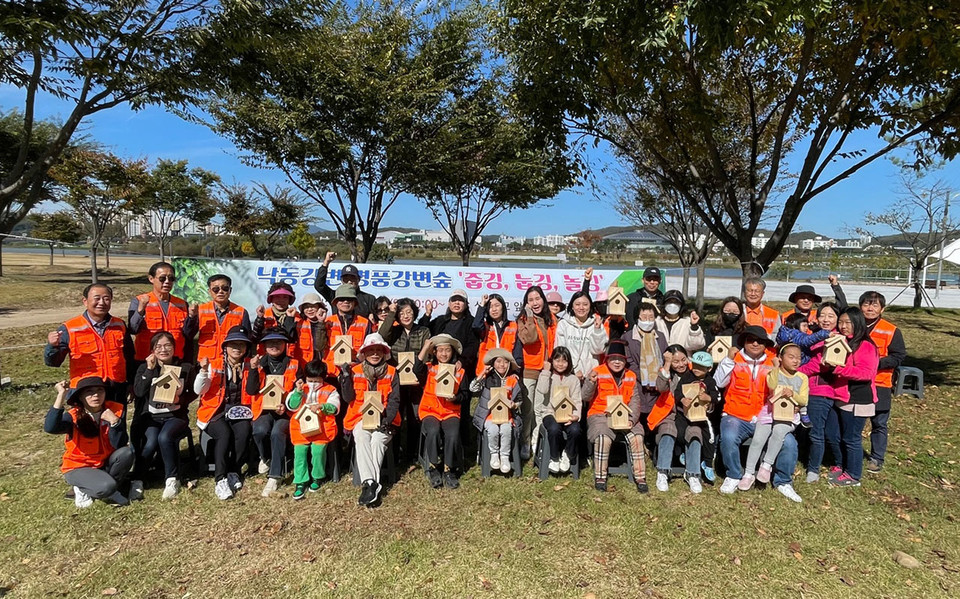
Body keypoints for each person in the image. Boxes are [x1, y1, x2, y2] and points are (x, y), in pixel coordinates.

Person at [713, 325, 802, 502]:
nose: (755, 343)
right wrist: (728, 360)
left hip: (768, 416)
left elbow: (789, 387)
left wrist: (778, 369)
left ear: (766, 344)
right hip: (736, 413)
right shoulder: (734, 358)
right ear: (743, 342)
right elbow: (719, 382)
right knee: (729, 437)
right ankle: (734, 475)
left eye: (760, 341)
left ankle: (783, 481)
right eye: (750, 340)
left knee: (790, 443)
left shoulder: (774, 361)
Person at [45, 378, 134, 508]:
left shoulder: (113, 410)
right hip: (79, 467)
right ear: (80, 396)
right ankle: (82, 488)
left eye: (100, 390)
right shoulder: (73, 415)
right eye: (89, 392)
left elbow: (119, 444)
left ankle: (108, 488)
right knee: (107, 487)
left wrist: (115, 422)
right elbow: (50, 427)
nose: (96, 395)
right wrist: (61, 395)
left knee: (127, 452)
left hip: (103, 463)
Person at [194, 325, 257, 500]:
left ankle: (233, 470)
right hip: (215, 411)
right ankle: (220, 479)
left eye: (241, 345)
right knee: (224, 434)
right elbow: (199, 390)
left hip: (239, 411)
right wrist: (203, 372)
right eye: (233, 344)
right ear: (225, 347)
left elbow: (252, 390)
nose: (237, 348)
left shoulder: (249, 364)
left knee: (244, 432)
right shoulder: (214, 364)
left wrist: (252, 370)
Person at [130, 331, 195, 501]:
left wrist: (180, 399)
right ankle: (137, 480)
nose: (163, 349)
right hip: (151, 417)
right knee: (150, 442)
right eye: (158, 346)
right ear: (152, 350)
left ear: (174, 348)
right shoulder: (145, 368)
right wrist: (150, 370)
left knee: (165, 437)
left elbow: (194, 392)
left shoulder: (185, 368)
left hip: (174, 415)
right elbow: (139, 391)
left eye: (167, 345)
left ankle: (172, 479)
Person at [45, 283, 134, 404]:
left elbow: (129, 357)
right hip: (85, 391)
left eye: (106, 298)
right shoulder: (70, 328)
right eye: (96, 298)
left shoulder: (119, 325)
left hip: (116, 389)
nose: (101, 302)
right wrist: (52, 346)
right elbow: (53, 362)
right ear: (85, 301)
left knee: (116, 423)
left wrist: (131, 383)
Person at [339, 334, 400, 506]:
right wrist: (344, 377)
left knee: (377, 441)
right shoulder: (355, 371)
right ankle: (371, 483)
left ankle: (370, 484)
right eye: (370, 350)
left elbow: (395, 400)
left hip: (386, 420)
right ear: (364, 353)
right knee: (361, 435)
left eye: (378, 350)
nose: (374, 354)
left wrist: (386, 421)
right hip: (359, 417)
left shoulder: (392, 372)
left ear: (384, 352)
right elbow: (348, 397)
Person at [582, 340, 649, 494]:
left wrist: (632, 419)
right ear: (607, 359)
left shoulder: (630, 376)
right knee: (603, 437)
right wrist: (590, 382)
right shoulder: (597, 372)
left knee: (637, 437)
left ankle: (640, 477)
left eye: (620, 359)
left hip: (624, 414)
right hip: (600, 414)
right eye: (613, 359)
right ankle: (600, 477)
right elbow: (584, 397)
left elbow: (635, 400)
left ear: (625, 361)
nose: (617, 362)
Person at [740, 343, 808, 492]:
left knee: (778, 432)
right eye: (791, 357)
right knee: (758, 439)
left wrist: (793, 395)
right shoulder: (774, 373)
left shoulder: (802, 378)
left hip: (788, 415)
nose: (796, 361)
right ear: (780, 358)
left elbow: (804, 400)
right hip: (769, 412)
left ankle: (766, 465)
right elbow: (771, 385)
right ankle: (748, 473)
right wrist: (776, 368)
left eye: (798, 358)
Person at [823, 308, 879, 487]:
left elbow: (866, 373)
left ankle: (853, 475)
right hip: (840, 396)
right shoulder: (842, 341)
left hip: (857, 399)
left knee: (851, 438)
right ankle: (840, 465)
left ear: (858, 323)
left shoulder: (865, 345)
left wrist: (838, 368)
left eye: (848, 322)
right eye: (841, 322)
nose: (843, 326)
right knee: (835, 434)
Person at [649, 349, 717, 494]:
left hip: (691, 416)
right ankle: (663, 471)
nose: (680, 364)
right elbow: (661, 387)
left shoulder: (698, 374)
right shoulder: (669, 374)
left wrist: (708, 401)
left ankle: (693, 473)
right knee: (667, 432)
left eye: (683, 360)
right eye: (675, 361)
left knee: (695, 433)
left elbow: (714, 397)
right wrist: (667, 364)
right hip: (669, 414)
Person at [249, 328, 301, 497]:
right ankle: (265, 458)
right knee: (260, 431)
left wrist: (286, 406)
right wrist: (252, 370)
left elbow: (298, 392)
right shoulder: (259, 363)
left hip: (286, 412)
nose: (274, 345)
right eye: (270, 343)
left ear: (285, 344)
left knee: (278, 432)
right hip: (263, 409)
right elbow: (251, 390)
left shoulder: (295, 363)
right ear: (264, 346)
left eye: (278, 342)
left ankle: (275, 476)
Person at [378, 297, 431, 460]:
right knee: (396, 415)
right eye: (402, 313)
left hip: (416, 380)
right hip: (396, 379)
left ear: (415, 313)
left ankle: (413, 452)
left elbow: (426, 354)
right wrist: (392, 313)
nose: (406, 315)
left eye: (409, 312)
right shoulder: (393, 330)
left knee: (415, 416)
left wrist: (420, 375)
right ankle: (394, 451)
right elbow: (381, 336)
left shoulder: (423, 331)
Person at [858, 291, 905, 473]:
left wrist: (876, 363)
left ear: (882, 309)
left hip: (881, 383)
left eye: (875, 305)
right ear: (860, 306)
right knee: (856, 422)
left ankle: (877, 458)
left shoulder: (891, 330)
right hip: (857, 383)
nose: (870, 308)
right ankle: (852, 453)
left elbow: (899, 356)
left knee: (879, 423)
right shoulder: (854, 326)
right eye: (866, 304)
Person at [798, 303, 845, 483]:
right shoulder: (815, 336)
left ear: (838, 320)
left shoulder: (836, 339)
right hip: (819, 389)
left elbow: (820, 363)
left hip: (820, 390)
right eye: (822, 315)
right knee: (831, 431)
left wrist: (794, 372)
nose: (826, 319)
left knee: (815, 431)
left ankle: (813, 469)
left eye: (831, 316)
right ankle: (839, 462)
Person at [416, 334, 466, 489]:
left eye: (447, 350)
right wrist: (425, 348)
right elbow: (416, 369)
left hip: (450, 412)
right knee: (433, 430)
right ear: (435, 353)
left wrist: (455, 398)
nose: (444, 354)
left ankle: (448, 468)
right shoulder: (430, 368)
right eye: (440, 350)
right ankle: (433, 466)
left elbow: (465, 395)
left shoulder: (460, 371)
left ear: (453, 352)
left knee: (452, 433)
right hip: (430, 410)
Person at [285, 360, 339, 500]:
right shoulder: (301, 387)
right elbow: (291, 406)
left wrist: (322, 406)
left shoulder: (330, 390)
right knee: (300, 452)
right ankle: (301, 481)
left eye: (317, 381)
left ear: (323, 378)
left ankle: (317, 476)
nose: (313, 383)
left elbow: (335, 407)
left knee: (318, 451)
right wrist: (297, 392)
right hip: (301, 427)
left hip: (323, 428)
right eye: (310, 380)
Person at [620, 301, 668, 454]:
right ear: (637, 318)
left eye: (651, 317)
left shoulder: (659, 337)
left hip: (657, 385)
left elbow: (665, 357)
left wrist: (657, 378)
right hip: (638, 383)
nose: (647, 320)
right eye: (644, 317)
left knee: (655, 412)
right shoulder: (627, 337)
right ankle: (639, 445)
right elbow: (628, 361)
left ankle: (652, 444)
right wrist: (644, 377)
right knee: (638, 411)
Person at [515, 286, 557, 459]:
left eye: (537, 298)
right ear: (526, 303)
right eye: (530, 300)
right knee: (528, 409)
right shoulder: (523, 320)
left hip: (547, 369)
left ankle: (537, 442)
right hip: (530, 370)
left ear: (543, 300)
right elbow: (530, 338)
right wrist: (530, 318)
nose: (535, 303)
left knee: (542, 408)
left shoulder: (552, 319)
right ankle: (524, 442)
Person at [128, 261, 196, 363]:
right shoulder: (139, 301)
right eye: (162, 278)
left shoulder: (182, 304)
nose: (167, 282)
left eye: (171, 278)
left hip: (175, 359)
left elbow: (188, 334)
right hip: (148, 360)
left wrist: (191, 317)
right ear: (151, 279)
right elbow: (133, 329)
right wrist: (141, 310)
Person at [470, 349, 523, 474]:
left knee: (506, 429)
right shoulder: (488, 378)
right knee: (493, 430)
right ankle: (494, 454)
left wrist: (514, 405)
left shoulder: (512, 379)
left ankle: (504, 456)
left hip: (507, 416)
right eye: (498, 361)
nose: (502, 365)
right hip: (489, 416)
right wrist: (482, 373)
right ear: (493, 363)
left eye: (505, 362)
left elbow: (520, 399)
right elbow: (473, 388)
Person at [420, 288, 480, 379]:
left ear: (466, 304)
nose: (457, 303)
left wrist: (461, 361)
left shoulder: (471, 322)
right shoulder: (440, 320)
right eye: (454, 300)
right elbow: (423, 330)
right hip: (439, 366)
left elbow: (472, 346)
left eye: (460, 300)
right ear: (449, 304)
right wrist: (427, 315)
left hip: (460, 368)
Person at [196, 274, 252, 367]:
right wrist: (191, 317)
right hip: (205, 363)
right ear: (209, 291)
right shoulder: (200, 310)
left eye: (225, 288)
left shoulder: (241, 312)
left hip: (231, 363)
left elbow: (248, 341)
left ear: (230, 290)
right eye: (216, 289)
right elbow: (188, 334)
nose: (220, 292)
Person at [553, 291, 609, 382]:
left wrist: (597, 330)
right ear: (572, 306)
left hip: (591, 376)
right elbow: (560, 351)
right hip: (569, 375)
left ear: (590, 306)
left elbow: (599, 350)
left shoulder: (596, 324)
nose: (581, 308)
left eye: (585, 304)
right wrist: (572, 371)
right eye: (577, 304)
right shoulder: (563, 324)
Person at [323, 285, 372, 381]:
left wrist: (356, 362)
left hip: (355, 372)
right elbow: (319, 346)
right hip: (331, 373)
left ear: (354, 303)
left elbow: (368, 348)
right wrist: (320, 324)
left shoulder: (364, 323)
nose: (345, 302)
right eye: (341, 299)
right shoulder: (327, 322)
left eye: (349, 299)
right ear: (336, 303)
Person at [314, 251, 377, 317]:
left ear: (358, 279)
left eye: (352, 278)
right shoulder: (334, 296)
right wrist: (326, 262)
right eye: (346, 279)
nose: (349, 282)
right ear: (341, 280)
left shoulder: (369, 299)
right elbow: (319, 285)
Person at [472, 293, 520, 378]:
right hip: (486, 373)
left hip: (506, 372)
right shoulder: (485, 326)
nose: (494, 309)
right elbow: (476, 326)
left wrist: (516, 371)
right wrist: (482, 305)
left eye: (497, 305)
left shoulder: (513, 326)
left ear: (503, 307)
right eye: (490, 307)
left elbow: (518, 352)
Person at [252, 282, 299, 355]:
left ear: (290, 300)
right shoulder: (263, 314)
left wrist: (290, 319)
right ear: (271, 299)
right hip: (265, 358)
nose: (281, 300)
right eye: (277, 296)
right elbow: (255, 338)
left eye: (285, 297)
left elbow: (291, 338)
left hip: (290, 360)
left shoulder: (298, 317)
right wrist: (259, 318)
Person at [655, 290, 705, 354]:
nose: (672, 305)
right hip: (661, 362)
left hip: (682, 362)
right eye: (669, 302)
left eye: (676, 302)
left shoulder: (687, 322)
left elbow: (697, 345)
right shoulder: (656, 322)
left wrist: (694, 327)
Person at [294, 293, 328, 364]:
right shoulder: (298, 323)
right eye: (306, 307)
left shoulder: (328, 323)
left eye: (313, 306)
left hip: (321, 363)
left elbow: (319, 346)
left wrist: (321, 322)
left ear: (320, 307)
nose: (309, 309)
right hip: (303, 363)